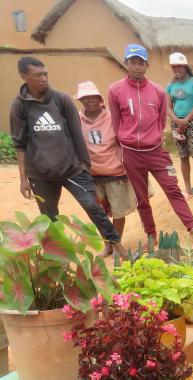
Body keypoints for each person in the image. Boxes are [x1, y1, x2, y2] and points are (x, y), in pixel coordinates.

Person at [10, 57, 124, 256]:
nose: (44, 78)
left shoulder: (61, 100)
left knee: (93, 207)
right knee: (50, 218)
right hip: (40, 174)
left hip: (72, 169)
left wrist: (84, 165)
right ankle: (58, 258)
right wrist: (23, 179)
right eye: (38, 75)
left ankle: (117, 246)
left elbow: (77, 135)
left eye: (45, 74)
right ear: (24, 76)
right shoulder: (20, 106)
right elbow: (20, 145)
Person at [107, 44, 193, 245]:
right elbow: (116, 120)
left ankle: (192, 228)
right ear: (126, 63)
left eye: (141, 62)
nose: (137, 66)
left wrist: (154, 137)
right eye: (133, 62)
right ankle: (151, 235)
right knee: (141, 198)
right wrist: (123, 141)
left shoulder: (158, 91)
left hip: (156, 151)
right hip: (131, 153)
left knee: (173, 189)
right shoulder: (115, 90)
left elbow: (161, 120)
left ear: (146, 65)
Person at [75, 81, 137, 256]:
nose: (90, 100)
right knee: (99, 212)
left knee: (118, 210)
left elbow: (124, 138)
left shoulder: (112, 117)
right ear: (80, 100)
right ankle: (108, 245)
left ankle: (117, 244)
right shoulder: (76, 120)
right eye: (85, 97)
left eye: (93, 97)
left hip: (115, 172)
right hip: (91, 174)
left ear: (100, 98)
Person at [165, 52, 193, 199]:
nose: (177, 69)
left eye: (180, 66)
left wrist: (186, 120)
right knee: (183, 156)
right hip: (176, 124)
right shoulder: (170, 86)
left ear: (186, 67)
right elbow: (168, 107)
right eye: (174, 67)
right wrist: (177, 120)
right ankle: (188, 190)